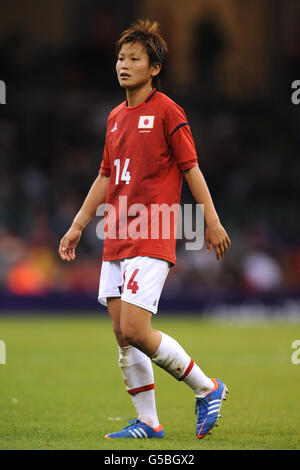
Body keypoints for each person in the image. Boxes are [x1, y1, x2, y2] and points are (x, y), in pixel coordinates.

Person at [58, 19, 231, 440]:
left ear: (154, 68)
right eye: (120, 58)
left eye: (134, 58)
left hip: (151, 232)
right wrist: (78, 225)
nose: (123, 65)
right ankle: (149, 423)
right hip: (116, 233)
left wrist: (211, 219)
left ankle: (208, 388)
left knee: (136, 328)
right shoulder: (115, 117)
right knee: (122, 335)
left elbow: (191, 168)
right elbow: (105, 175)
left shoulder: (169, 111)